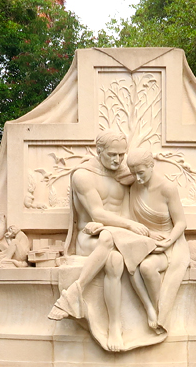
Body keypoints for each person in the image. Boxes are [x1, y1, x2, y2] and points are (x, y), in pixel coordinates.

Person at [48, 131, 152, 352]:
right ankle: (80, 295)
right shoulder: (83, 175)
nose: (117, 160)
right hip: (89, 236)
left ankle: (112, 324)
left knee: (114, 260)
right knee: (107, 238)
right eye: (112, 155)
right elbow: (97, 213)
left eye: (121, 155)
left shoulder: (124, 173)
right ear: (99, 151)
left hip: (114, 236)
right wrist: (128, 226)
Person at [125, 148, 188, 332]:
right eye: (133, 173)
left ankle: (159, 310)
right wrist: (146, 237)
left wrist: (168, 241)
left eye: (141, 173)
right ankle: (151, 309)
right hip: (144, 241)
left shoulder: (167, 188)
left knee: (146, 267)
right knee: (127, 262)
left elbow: (181, 223)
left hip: (169, 244)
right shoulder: (133, 186)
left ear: (151, 166)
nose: (137, 178)